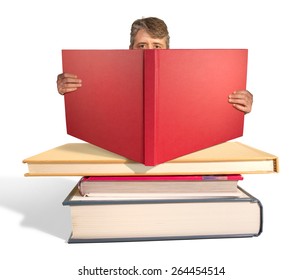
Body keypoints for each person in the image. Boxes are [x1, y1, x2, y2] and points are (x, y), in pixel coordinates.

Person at [57, 17, 253, 114]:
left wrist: (240, 104)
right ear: (129, 49)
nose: (149, 52)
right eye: (142, 45)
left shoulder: (193, 81)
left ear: (168, 50)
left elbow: (211, 108)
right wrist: (68, 87)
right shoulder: (107, 77)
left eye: (157, 46)